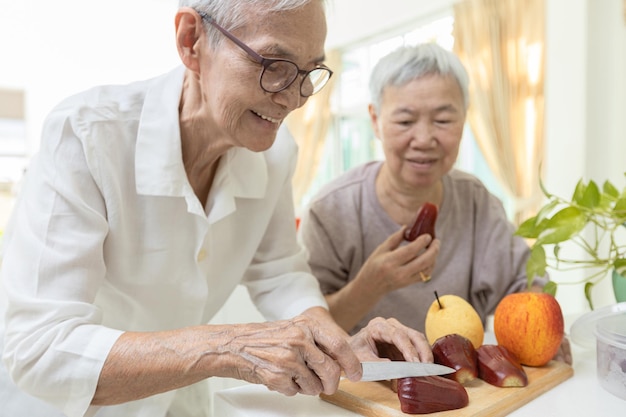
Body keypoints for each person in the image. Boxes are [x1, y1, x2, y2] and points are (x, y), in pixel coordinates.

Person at [0, 2, 434, 416]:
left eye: (308, 72)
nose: (295, 98)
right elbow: (40, 349)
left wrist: (335, 343)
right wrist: (228, 346)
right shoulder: (87, 136)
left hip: (174, 403)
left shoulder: (276, 153)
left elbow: (281, 272)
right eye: (272, 65)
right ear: (192, 41)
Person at [300, 43, 567, 355]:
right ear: (375, 120)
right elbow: (305, 330)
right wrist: (370, 286)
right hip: (363, 389)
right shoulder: (331, 210)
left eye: (442, 120)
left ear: (464, 119)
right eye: (405, 121)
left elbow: (530, 285)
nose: (424, 139)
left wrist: (543, 330)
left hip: (465, 387)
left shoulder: (476, 202)